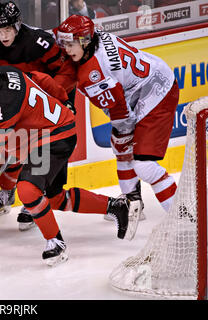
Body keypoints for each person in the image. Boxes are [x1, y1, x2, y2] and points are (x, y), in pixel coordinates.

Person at [0, 54, 140, 266]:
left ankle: (56, 244)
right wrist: (64, 99)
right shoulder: (7, 72)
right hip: (58, 130)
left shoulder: (2, 106)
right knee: (55, 197)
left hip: (52, 139)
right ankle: (116, 207)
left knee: (27, 190)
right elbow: (41, 78)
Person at [0, 1, 78, 228]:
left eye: (7, 30)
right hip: (10, 100)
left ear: (17, 25)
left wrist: (52, 96)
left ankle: (34, 198)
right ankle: (7, 193)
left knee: (38, 150)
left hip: (43, 99)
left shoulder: (38, 42)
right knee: (10, 145)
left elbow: (66, 70)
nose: (2, 36)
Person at [55, 15, 178, 219]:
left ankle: (185, 216)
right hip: (142, 82)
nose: (65, 49)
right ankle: (132, 203)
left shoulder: (94, 75)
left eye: (70, 44)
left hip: (157, 92)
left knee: (143, 164)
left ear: (85, 41)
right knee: (122, 147)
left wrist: (123, 133)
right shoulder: (95, 38)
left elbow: (121, 113)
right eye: (64, 43)